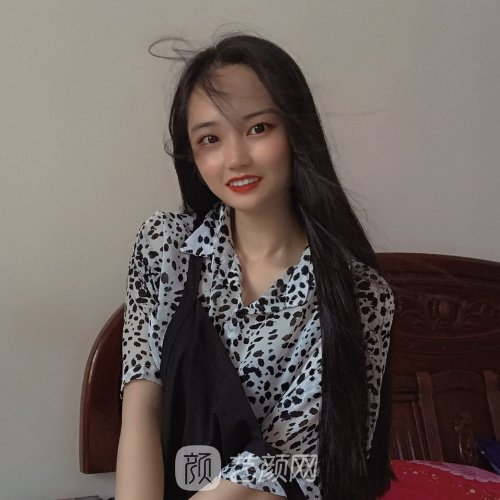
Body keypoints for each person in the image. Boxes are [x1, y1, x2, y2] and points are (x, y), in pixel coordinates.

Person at [115, 33, 395, 500]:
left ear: (296, 130)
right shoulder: (166, 245)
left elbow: (283, 468)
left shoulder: (359, 294)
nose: (235, 159)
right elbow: (142, 404)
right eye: (210, 138)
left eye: (258, 128)